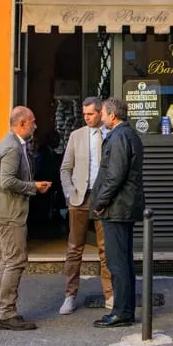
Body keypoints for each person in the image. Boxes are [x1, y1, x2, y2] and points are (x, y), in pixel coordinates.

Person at [0, 106, 51, 331]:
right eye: (32, 121)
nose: (35, 125)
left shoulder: (10, 143)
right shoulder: (12, 148)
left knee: (6, 260)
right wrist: (33, 187)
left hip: (3, 210)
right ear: (22, 123)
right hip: (9, 213)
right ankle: (7, 313)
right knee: (15, 260)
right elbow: (8, 181)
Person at [91, 97, 144, 328]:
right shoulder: (128, 134)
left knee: (117, 262)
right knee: (123, 260)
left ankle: (122, 312)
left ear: (113, 115)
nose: (101, 117)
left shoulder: (119, 136)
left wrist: (100, 202)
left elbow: (115, 175)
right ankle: (125, 309)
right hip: (123, 206)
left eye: (102, 113)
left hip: (117, 208)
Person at [58, 96, 113, 314]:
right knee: (74, 249)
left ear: (101, 112)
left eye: (90, 114)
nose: (87, 118)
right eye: (84, 114)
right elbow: (65, 169)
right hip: (79, 197)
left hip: (102, 198)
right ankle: (70, 295)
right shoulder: (76, 136)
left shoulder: (110, 134)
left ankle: (110, 294)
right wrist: (70, 193)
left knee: (105, 249)